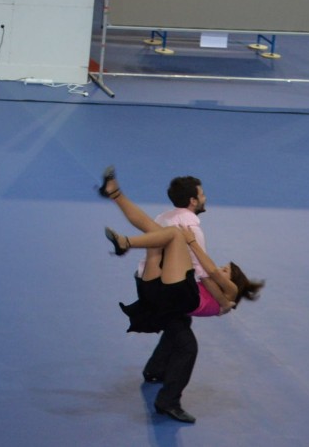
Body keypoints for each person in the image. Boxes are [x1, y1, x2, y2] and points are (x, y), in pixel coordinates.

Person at [99, 168, 264, 424]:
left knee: (178, 321)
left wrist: (223, 301)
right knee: (187, 346)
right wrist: (223, 303)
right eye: (202, 194)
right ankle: (168, 401)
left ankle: (155, 370)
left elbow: (141, 222)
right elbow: (205, 274)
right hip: (169, 291)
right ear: (193, 201)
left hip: (146, 281)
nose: (205, 197)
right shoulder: (192, 229)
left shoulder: (164, 217)